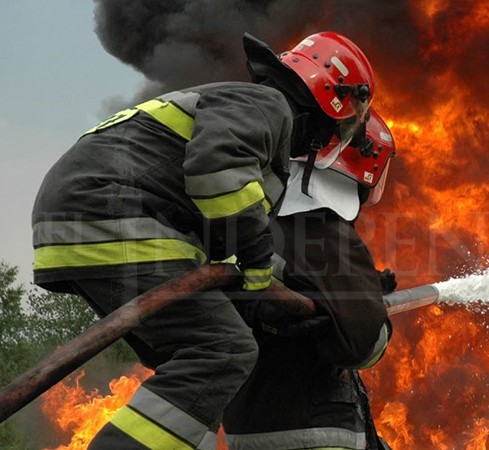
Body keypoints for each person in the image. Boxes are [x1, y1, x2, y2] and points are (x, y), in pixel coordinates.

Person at [30, 31, 375, 450]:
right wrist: (257, 260)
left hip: (85, 217)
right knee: (223, 352)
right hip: (112, 212)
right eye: (349, 118)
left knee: (190, 361)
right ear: (331, 96)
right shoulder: (269, 106)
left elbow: (225, 234)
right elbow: (217, 174)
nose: (340, 134)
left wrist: (286, 285)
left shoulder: (250, 115)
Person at [222, 109, 397, 450]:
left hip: (249, 429)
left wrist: (352, 293)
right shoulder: (326, 231)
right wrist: (373, 312)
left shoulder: (252, 228)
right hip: (316, 430)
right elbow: (363, 344)